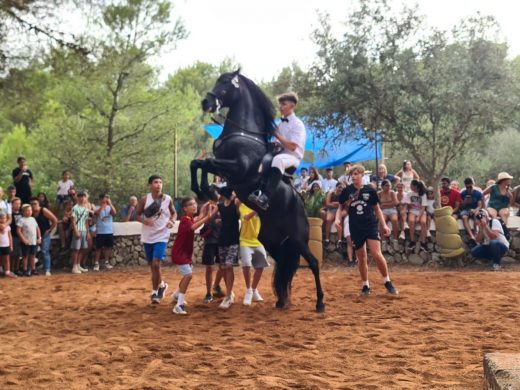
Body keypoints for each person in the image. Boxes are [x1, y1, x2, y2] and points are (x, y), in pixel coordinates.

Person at [335, 164, 398, 297]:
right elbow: (340, 207)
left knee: (376, 254)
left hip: (370, 225)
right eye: (352, 174)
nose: (353, 176)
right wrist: (337, 219)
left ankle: (387, 282)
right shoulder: (347, 191)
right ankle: (365, 285)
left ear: (362, 175)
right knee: (361, 257)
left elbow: (377, 209)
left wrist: (384, 225)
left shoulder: (370, 190)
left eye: (356, 174)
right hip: (355, 227)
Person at [248, 92, 306, 210]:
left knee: (278, 159)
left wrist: (277, 135)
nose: (280, 107)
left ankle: (265, 198)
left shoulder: (298, 124)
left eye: (284, 104)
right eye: (280, 104)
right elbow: (278, 143)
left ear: (292, 106)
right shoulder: (280, 124)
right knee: (262, 158)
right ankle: (258, 190)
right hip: (278, 155)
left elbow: (293, 147)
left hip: (292, 158)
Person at [171, 197, 218, 315]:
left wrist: (205, 210)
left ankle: (177, 294)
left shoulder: (190, 218)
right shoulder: (185, 220)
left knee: (187, 274)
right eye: (191, 204)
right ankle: (179, 304)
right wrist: (208, 216)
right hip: (180, 253)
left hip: (185, 253)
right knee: (188, 275)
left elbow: (199, 217)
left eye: (195, 204)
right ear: (185, 208)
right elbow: (194, 227)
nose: (194, 206)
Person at [136, 175, 177, 304]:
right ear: (150, 185)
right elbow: (136, 215)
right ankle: (162, 285)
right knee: (153, 266)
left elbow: (174, 213)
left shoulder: (167, 199)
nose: (158, 185)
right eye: (155, 182)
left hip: (162, 235)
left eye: (160, 182)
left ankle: (154, 293)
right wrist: (144, 220)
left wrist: (172, 221)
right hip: (148, 236)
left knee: (155, 264)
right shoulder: (144, 200)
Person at [238, 201, 269, 306]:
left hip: (257, 241)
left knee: (260, 267)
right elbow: (246, 218)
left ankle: (254, 289)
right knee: (246, 265)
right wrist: (257, 210)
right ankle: (248, 291)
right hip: (244, 240)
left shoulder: (260, 207)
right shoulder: (242, 206)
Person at [199, 186, 224, 304]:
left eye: (217, 192)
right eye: (214, 192)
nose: (217, 194)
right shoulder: (206, 207)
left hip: (222, 240)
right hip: (210, 241)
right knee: (209, 267)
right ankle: (208, 293)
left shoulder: (224, 205)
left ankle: (216, 285)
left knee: (223, 267)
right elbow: (201, 220)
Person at [217, 186, 240, 309]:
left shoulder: (236, 204)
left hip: (233, 240)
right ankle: (229, 293)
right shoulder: (219, 206)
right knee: (224, 267)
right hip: (222, 239)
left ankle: (228, 296)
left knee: (229, 266)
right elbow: (211, 217)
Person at [30, 197, 58, 276]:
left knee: (45, 251)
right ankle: (31, 269)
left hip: (44, 234)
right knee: (32, 252)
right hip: (33, 235)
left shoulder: (43, 210)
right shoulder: (29, 212)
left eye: (35, 203)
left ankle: (47, 269)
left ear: (38, 204)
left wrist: (50, 230)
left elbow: (55, 220)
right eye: (31, 204)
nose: (33, 205)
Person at [70, 190, 92, 274]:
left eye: (84, 197)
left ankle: (78, 264)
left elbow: (86, 221)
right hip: (78, 229)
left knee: (82, 248)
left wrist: (88, 232)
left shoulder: (85, 209)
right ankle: (74, 266)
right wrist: (76, 231)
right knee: (76, 249)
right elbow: (73, 221)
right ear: (78, 198)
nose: (82, 199)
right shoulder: (75, 208)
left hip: (84, 230)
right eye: (80, 197)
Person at [93, 193, 116, 271]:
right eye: (104, 198)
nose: (106, 199)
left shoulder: (110, 207)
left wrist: (110, 203)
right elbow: (96, 214)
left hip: (109, 231)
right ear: (100, 199)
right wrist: (102, 207)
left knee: (108, 247)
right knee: (98, 248)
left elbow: (114, 213)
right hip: (100, 231)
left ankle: (106, 262)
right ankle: (96, 263)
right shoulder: (96, 207)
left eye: (107, 198)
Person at [17, 204, 41, 276]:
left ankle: (33, 269)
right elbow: (18, 231)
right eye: (27, 211)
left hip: (33, 241)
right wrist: (23, 239)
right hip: (26, 242)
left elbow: (37, 229)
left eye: (30, 210)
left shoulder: (33, 219)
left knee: (33, 255)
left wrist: (39, 238)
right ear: (23, 212)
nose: (29, 212)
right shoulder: (21, 220)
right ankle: (25, 270)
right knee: (25, 256)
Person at [405, 180, 429, 253]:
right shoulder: (409, 194)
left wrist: (419, 216)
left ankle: (423, 243)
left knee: (423, 222)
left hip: (421, 211)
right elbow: (409, 205)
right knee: (411, 221)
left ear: (415, 186)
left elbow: (423, 207)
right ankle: (412, 241)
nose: (410, 186)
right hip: (412, 211)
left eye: (411, 185)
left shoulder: (423, 194)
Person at [459, 177, 484, 247]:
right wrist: (464, 202)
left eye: (470, 187)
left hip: (475, 209)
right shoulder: (462, 193)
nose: (469, 189)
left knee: (476, 215)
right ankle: (471, 235)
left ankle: (475, 233)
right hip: (466, 209)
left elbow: (480, 205)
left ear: (473, 184)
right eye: (467, 187)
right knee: (464, 217)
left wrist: (475, 210)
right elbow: (461, 207)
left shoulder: (478, 193)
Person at [378, 179, 399, 246]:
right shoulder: (379, 194)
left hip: (392, 210)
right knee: (382, 221)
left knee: (394, 220)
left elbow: (396, 202)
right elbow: (378, 205)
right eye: (387, 186)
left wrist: (384, 204)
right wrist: (389, 203)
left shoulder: (392, 193)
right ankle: (383, 241)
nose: (389, 187)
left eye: (390, 185)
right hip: (383, 211)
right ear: (382, 186)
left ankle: (395, 240)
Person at [324, 182, 344, 247]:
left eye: (342, 187)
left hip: (340, 210)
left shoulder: (344, 194)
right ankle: (327, 239)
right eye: (339, 187)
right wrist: (338, 204)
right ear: (336, 187)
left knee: (338, 221)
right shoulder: (331, 193)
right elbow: (327, 204)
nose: (340, 189)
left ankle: (340, 240)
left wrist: (334, 203)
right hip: (331, 210)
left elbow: (344, 204)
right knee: (328, 220)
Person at [9, 198, 23, 275]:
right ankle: (11, 269)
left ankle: (17, 269)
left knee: (18, 254)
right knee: (12, 254)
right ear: (12, 204)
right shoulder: (10, 214)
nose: (18, 205)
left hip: (20, 236)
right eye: (16, 203)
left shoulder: (21, 214)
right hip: (13, 235)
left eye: (19, 203)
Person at [0, 212, 16, 278]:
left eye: (4, 218)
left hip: (6, 245)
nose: (2, 219)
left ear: (6, 219)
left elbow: (10, 237)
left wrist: (11, 245)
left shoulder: (8, 227)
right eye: (0, 218)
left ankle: (7, 271)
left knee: (7, 259)